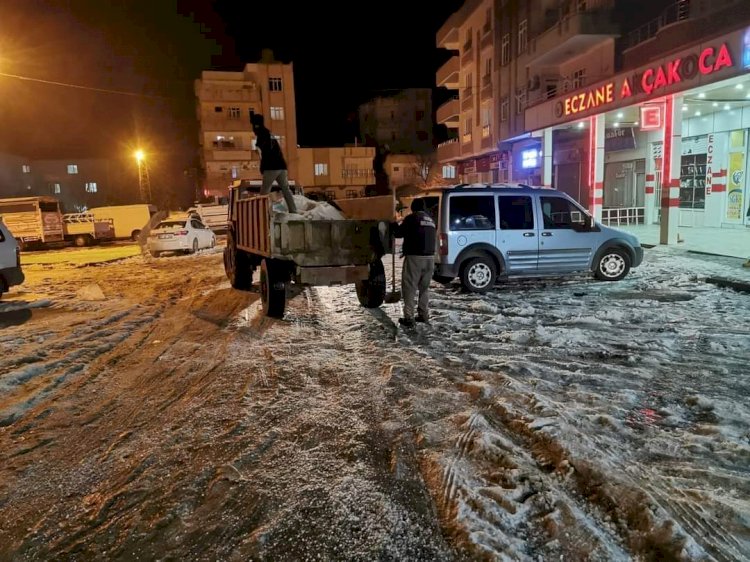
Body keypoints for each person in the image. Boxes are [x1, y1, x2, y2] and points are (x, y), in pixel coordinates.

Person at [392, 197, 436, 327]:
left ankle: (409, 318)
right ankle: (423, 315)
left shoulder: (411, 218)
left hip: (415, 258)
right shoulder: (430, 220)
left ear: (413, 208)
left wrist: (393, 222)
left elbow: (398, 233)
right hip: (430, 258)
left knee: (409, 287)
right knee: (424, 288)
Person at [250, 114, 298, 214]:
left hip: (271, 167)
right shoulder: (270, 134)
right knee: (286, 189)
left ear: (256, 125)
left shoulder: (261, 135)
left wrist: (262, 167)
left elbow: (263, 154)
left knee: (264, 193)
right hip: (282, 166)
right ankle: (293, 210)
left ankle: (264, 213)